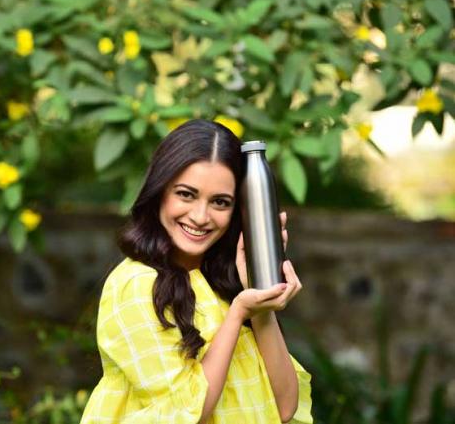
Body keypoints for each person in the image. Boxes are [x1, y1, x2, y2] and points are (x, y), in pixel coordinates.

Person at [79, 119, 312, 424]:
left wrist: (260, 303)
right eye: (186, 194)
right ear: (160, 191)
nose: (201, 217)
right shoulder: (136, 285)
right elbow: (190, 414)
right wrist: (238, 313)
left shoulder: (222, 282)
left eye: (220, 202)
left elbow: (283, 408)